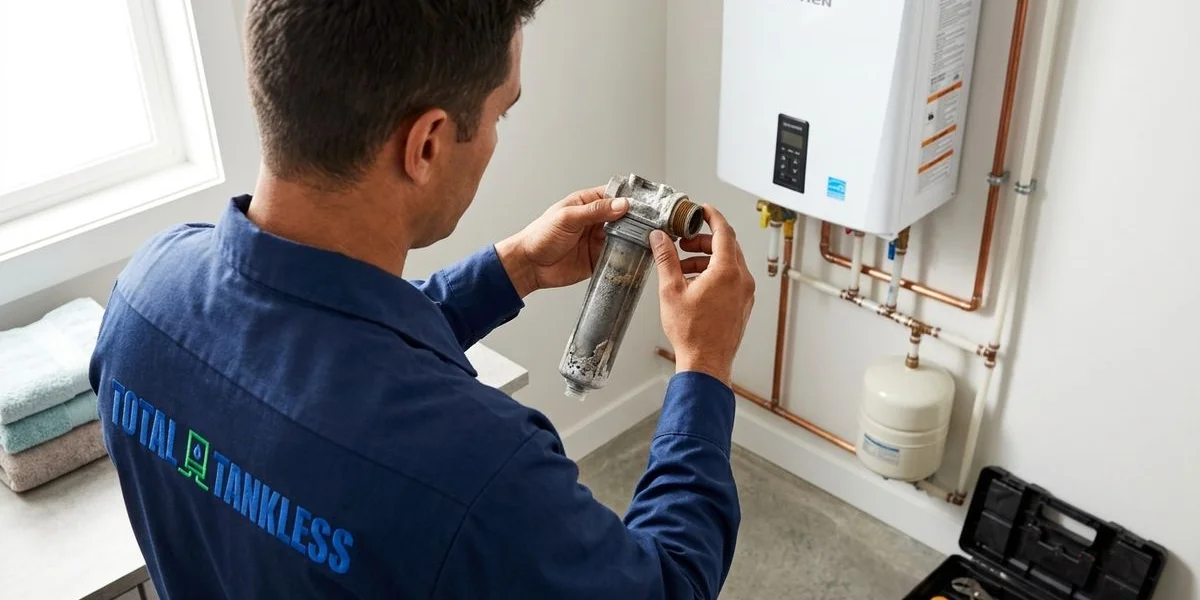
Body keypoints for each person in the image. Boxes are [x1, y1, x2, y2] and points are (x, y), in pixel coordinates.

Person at [90, 1, 756, 598]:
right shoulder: (477, 472)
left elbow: (321, 346)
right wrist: (703, 367)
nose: (495, 137)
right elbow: (667, 584)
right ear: (428, 143)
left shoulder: (144, 293)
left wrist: (514, 269)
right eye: (499, 114)